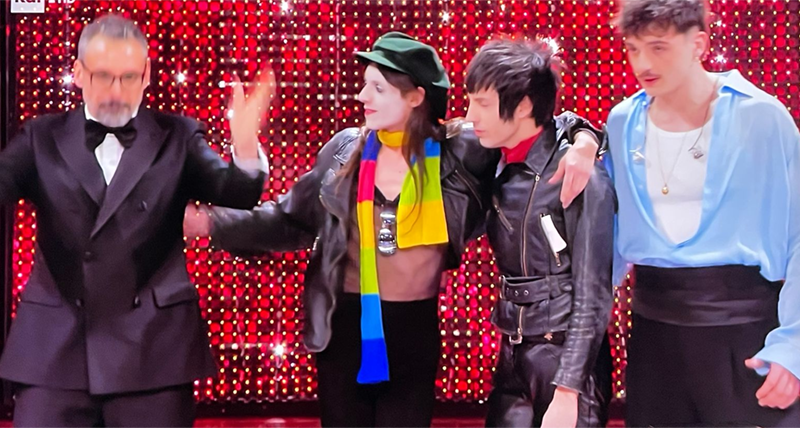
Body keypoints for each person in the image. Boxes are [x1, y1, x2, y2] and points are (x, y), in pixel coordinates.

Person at [183, 31, 602, 428]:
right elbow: (288, 220)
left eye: (378, 88)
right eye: (365, 85)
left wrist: (584, 140)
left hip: (414, 332)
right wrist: (210, 222)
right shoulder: (344, 151)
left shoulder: (463, 149)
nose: (362, 96)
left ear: (416, 96)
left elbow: (539, 125)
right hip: (343, 329)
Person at [0, 14, 271, 428]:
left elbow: (236, 193)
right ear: (78, 73)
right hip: (56, 354)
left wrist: (246, 145)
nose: (116, 91)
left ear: (146, 75)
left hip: (153, 354)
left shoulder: (178, 136)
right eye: (104, 77)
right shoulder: (41, 137)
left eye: (129, 77)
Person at [568, 0, 800, 426]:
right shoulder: (623, 121)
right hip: (655, 338)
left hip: (747, 336)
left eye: (658, 47)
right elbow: (607, 241)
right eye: (633, 49)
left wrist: (793, 346)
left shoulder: (761, 116)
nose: (642, 63)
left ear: (699, 44)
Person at [464, 38, 614, 428]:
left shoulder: (578, 173)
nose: (470, 115)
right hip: (512, 352)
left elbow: (594, 294)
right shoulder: (490, 158)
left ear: (524, 105)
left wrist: (569, 389)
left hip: (564, 357)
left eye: (483, 103)